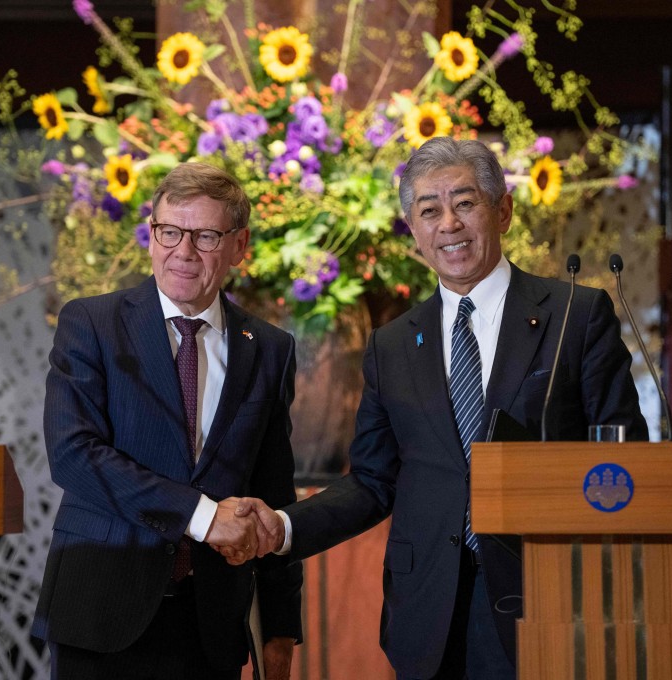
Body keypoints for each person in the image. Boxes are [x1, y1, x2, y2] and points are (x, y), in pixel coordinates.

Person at [234, 137, 648, 679]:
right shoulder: (393, 345)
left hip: (548, 600)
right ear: (413, 229)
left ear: (502, 209)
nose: (448, 224)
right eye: (429, 210)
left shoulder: (577, 314)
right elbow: (373, 482)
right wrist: (285, 528)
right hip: (428, 612)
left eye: (465, 202)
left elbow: (623, 457)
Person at [31, 162, 303, 680]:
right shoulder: (92, 323)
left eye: (205, 236)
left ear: (238, 246)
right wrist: (201, 516)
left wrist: (280, 628)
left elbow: (274, 494)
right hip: (99, 614)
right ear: (151, 235)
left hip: (211, 626)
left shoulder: (269, 350)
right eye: (170, 231)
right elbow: (73, 455)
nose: (184, 251)